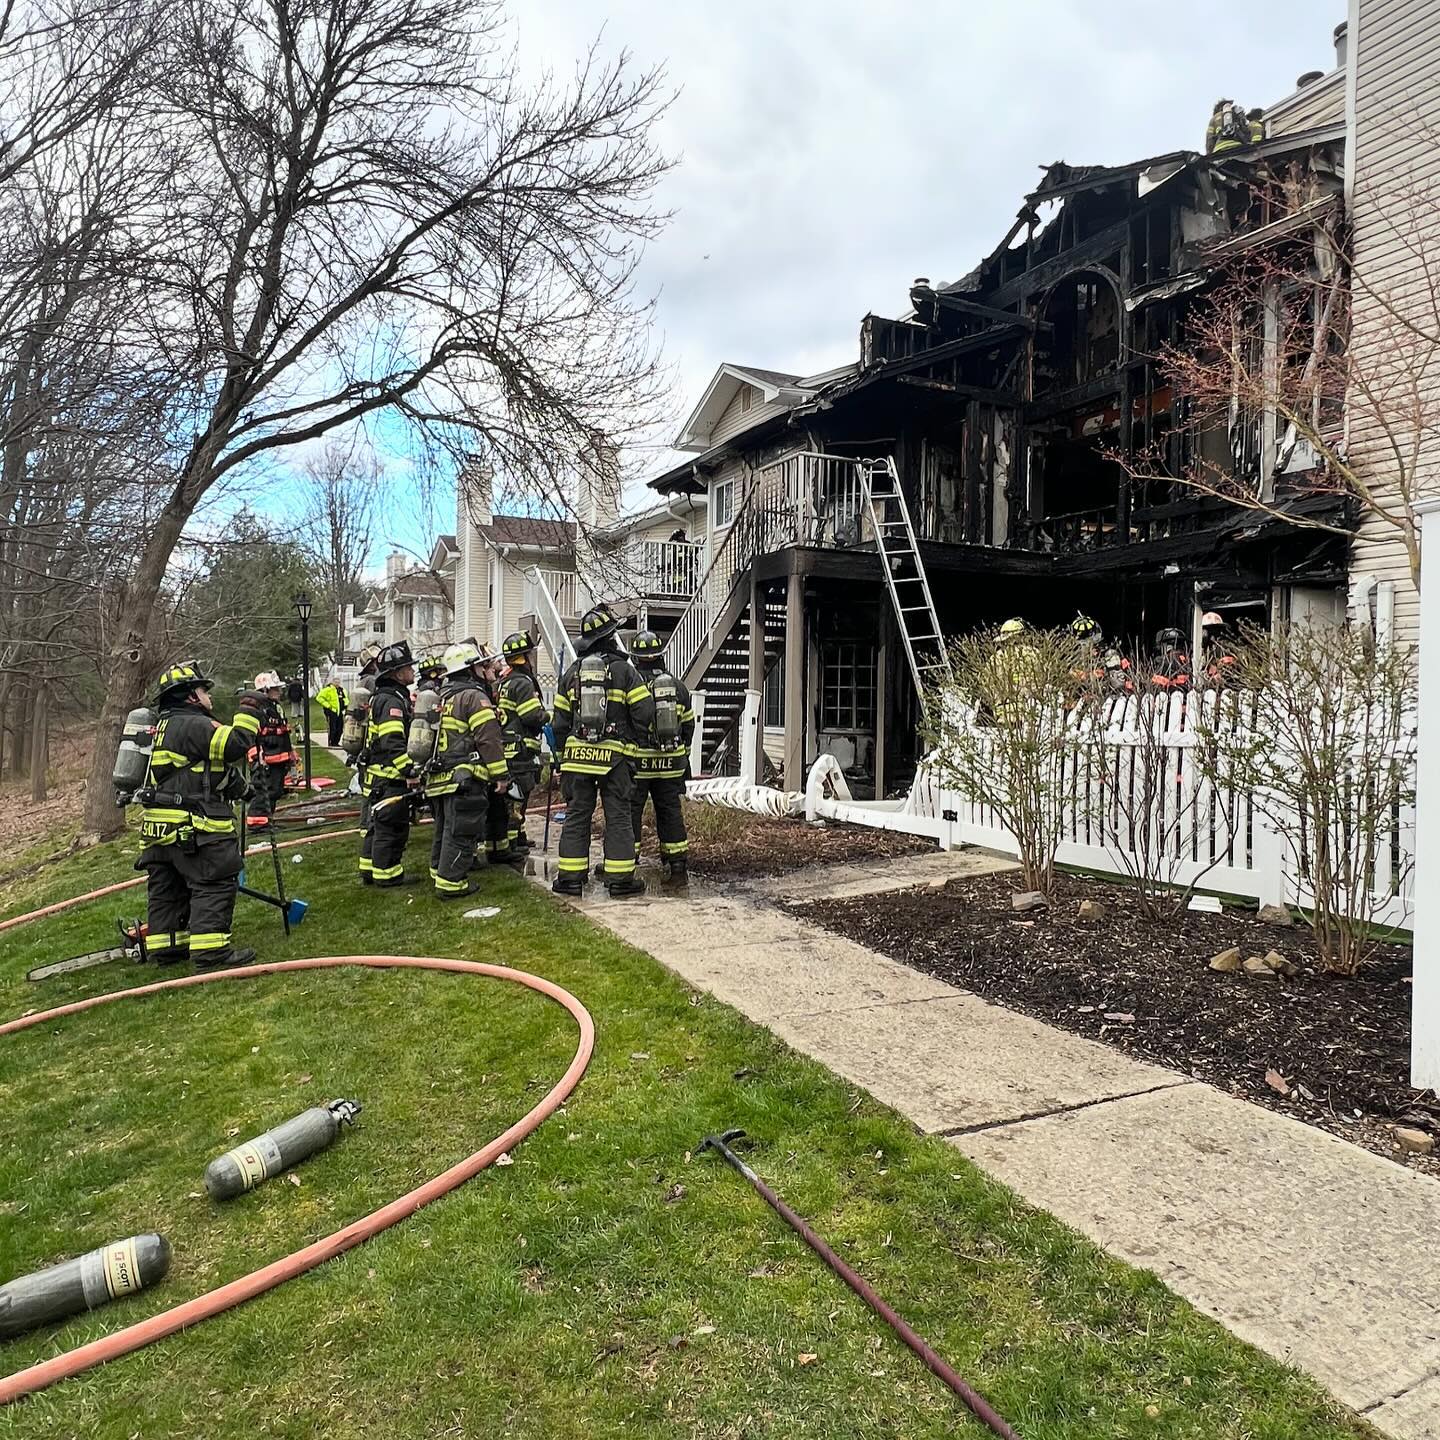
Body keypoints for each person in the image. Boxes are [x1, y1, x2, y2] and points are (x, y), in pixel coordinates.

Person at [135, 661, 262, 969]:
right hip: (195, 827)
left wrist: (243, 790)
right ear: (191, 696)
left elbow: (201, 771)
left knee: (168, 889)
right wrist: (249, 710)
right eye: (204, 690)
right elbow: (235, 745)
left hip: (159, 830)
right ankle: (211, 952)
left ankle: (167, 948)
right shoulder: (193, 724)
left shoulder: (161, 726)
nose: (209, 697)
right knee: (213, 883)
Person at [550, 604, 654, 897]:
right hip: (614, 758)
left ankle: (570, 878)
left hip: (577, 759)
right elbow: (645, 711)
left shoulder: (572, 673)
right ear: (611, 637)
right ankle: (619, 880)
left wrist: (562, 756)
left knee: (577, 815)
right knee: (618, 814)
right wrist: (634, 740)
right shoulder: (625, 672)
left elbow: (559, 722)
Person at [427, 641, 510, 898]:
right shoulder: (473, 697)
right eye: (481, 665)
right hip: (464, 777)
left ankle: (439, 872)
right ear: (470, 670)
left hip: (439, 777)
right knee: (461, 830)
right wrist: (501, 775)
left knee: (444, 828)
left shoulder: (443, 696)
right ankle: (452, 882)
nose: (486, 669)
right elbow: (488, 739)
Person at [628, 629, 696, 885]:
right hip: (670, 764)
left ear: (636, 658)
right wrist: (682, 757)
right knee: (670, 812)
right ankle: (677, 862)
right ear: (660, 656)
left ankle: (627, 860)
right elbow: (688, 725)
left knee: (631, 812)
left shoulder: (632, 685)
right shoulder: (677, 686)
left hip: (639, 764)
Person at [360, 641, 421, 886]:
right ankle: (388, 875)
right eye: (408, 668)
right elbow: (393, 741)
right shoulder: (392, 702)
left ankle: (368, 870)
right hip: (389, 777)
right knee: (391, 828)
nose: (412, 672)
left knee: (375, 826)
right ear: (397, 673)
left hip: (377, 776)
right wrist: (409, 770)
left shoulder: (384, 697)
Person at [498, 631, 549, 856]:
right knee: (518, 800)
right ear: (524, 657)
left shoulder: (506, 682)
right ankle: (512, 844)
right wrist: (546, 716)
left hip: (508, 749)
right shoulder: (522, 683)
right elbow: (530, 716)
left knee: (513, 799)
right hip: (520, 751)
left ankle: (517, 837)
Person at [249, 671, 294, 826]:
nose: (279, 692)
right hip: (267, 758)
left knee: (275, 790)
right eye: (275, 688)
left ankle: (268, 821)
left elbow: (282, 731)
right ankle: (257, 823)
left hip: (278, 756)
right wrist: (257, 758)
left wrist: (291, 754)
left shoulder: (274, 707)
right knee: (264, 790)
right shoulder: (257, 710)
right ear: (265, 690)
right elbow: (252, 736)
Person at [316, 676, 345, 746]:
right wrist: (328, 706)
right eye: (336, 682)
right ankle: (331, 742)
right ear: (332, 682)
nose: (337, 683)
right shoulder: (328, 689)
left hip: (340, 711)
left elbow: (345, 698)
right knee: (333, 728)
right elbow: (319, 698)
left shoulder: (341, 690)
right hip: (331, 711)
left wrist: (345, 705)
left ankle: (336, 742)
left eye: (338, 682)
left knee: (340, 728)